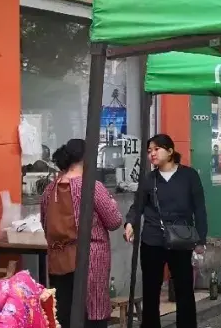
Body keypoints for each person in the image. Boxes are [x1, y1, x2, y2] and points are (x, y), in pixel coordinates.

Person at [124, 134, 208, 328]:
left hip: (181, 239)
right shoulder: (149, 179)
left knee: (184, 289)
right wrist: (130, 223)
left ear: (170, 151)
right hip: (152, 240)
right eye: (149, 151)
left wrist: (201, 239)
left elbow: (200, 209)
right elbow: (137, 206)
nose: (152, 154)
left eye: (156, 149)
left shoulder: (189, 176)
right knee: (151, 290)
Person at [40, 139, 123, 328]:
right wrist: (112, 205)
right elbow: (114, 221)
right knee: (91, 312)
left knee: (63, 312)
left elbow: (45, 223)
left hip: (59, 259)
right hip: (90, 259)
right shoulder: (91, 187)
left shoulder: (49, 189)